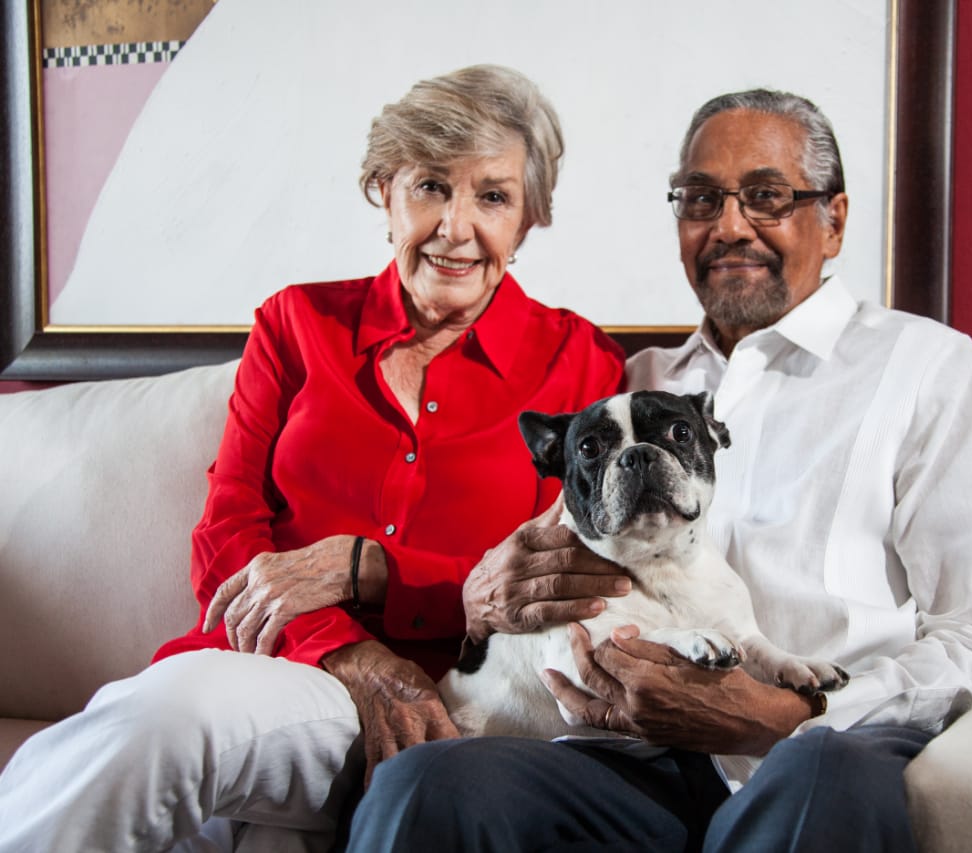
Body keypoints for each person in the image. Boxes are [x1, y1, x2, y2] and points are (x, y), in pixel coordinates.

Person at [346, 88, 972, 852]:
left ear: (835, 220)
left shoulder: (923, 366)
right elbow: (530, 567)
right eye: (701, 198)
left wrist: (785, 715)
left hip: (818, 749)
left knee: (819, 779)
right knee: (425, 783)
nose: (730, 225)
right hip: (621, 759)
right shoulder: (629, 386)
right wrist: (484, 592)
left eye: (767, 197)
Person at [0, 65, 627, 852]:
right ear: (383, 192)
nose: (456, 227)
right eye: (431, 186)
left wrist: (371, 569)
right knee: (186, 754)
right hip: (278, 663)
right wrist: (349, 649)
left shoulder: (577, 364)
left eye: (493, 196)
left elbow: (553, 575)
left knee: (172, 722)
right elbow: (228, 535)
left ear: (530, 217)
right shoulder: (297, 325)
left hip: (447, 702)